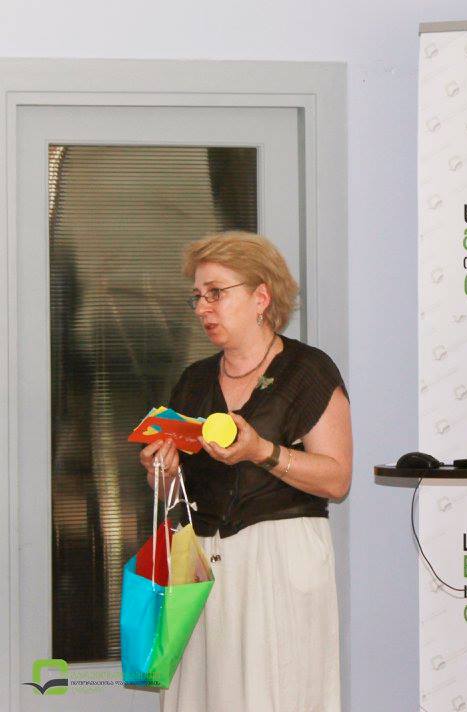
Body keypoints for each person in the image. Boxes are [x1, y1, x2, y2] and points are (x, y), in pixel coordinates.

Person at [137, 230, 351, 712]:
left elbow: (337, 479)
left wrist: (262, 451)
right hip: (196, 563)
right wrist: (161, 470)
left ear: (261, 297)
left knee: (274, 695)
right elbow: (176, 489)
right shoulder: (193, 381)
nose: (202, 308)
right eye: (197, 296)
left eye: (216, 292)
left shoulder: (308, 371)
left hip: (278, 559)